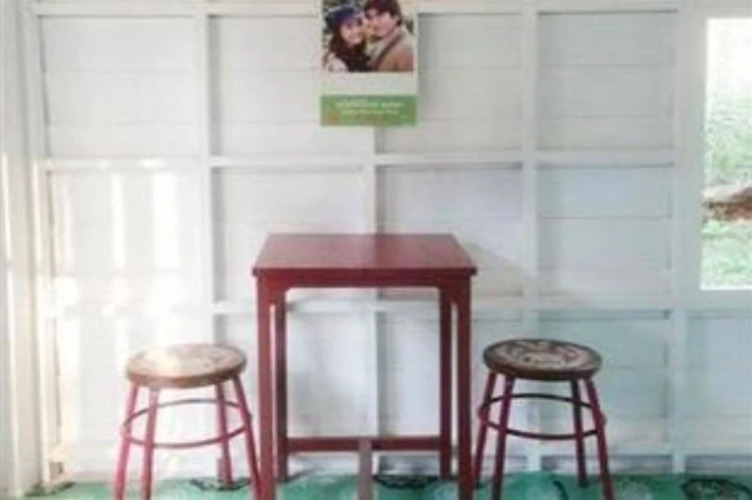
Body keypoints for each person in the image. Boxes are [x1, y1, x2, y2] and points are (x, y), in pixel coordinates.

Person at [363, 0, 414, 72]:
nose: (374, 23)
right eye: (370, 18)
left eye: (380, 16)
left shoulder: (407, 49)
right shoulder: (382, 41)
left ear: (396, 17)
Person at [323, 4, 371, 72]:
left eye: (358, 23)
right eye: (349, 26)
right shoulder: (337, 65)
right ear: (337, 31)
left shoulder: (358, 52)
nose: (356, 30)